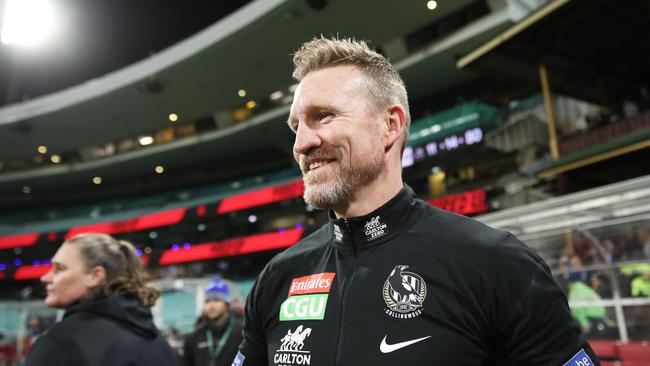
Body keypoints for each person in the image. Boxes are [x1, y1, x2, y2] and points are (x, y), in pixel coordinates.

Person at [235, 36, 599, 366]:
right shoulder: (278, 278)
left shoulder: (496, 264)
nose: (301, 145)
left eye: (323, 116)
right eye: (296, 126)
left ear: (390, 126)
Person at [25, 233, 181, 366]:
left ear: (95, 275)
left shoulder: (59, 343)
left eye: (59, 269)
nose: (45, 277)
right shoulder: (160, 344)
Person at [182, 278, 243, 366]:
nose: (211, 305)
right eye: (207, 301)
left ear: (226, 304)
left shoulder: (242, 333)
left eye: (216, 300)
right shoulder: (193, 338)